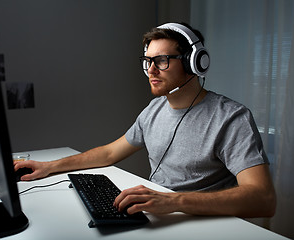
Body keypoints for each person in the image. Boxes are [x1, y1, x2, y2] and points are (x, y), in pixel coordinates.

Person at [14, 22, 276, 218]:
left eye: (161, 61)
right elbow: (109, 152)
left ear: (194, 63)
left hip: (198, 224)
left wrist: (174, 201)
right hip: (156, 216)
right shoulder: (154, 109)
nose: (150, 70)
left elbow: (264, 199)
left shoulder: (230, 118)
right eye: (148, 61)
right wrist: (50, 167)